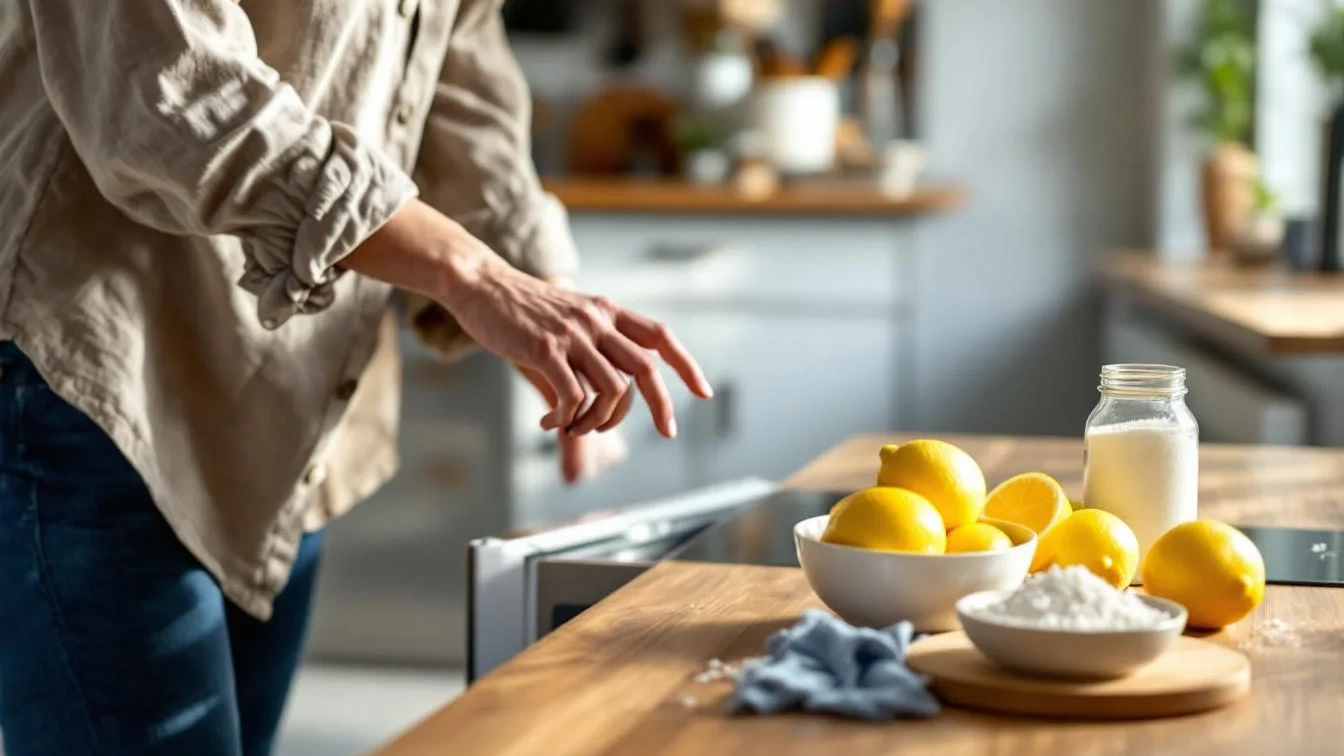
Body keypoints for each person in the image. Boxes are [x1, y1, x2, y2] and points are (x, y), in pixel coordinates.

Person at [0, 1, 712, 754]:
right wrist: (477, 276)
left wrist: (550, 306)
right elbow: (169, 88)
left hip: (288, 410)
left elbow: (460, 68)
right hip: (99, 386)